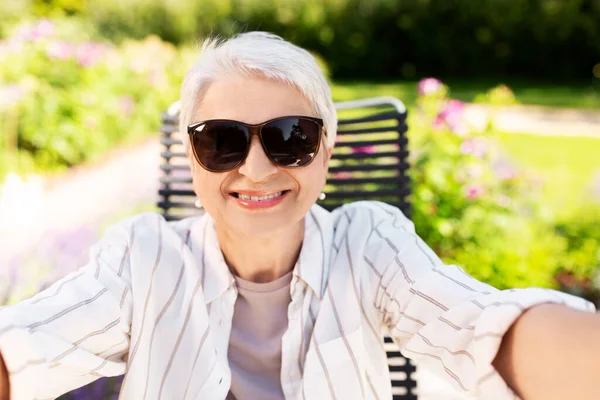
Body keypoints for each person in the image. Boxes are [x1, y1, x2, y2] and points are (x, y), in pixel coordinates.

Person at [1, 32, 600, 400]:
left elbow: (477, 324)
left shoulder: (370, 242)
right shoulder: (142, 255)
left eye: (290, 137)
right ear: (191, 157)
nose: (257, 170)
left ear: (327, 152)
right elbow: (32, 344)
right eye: (223, 142)